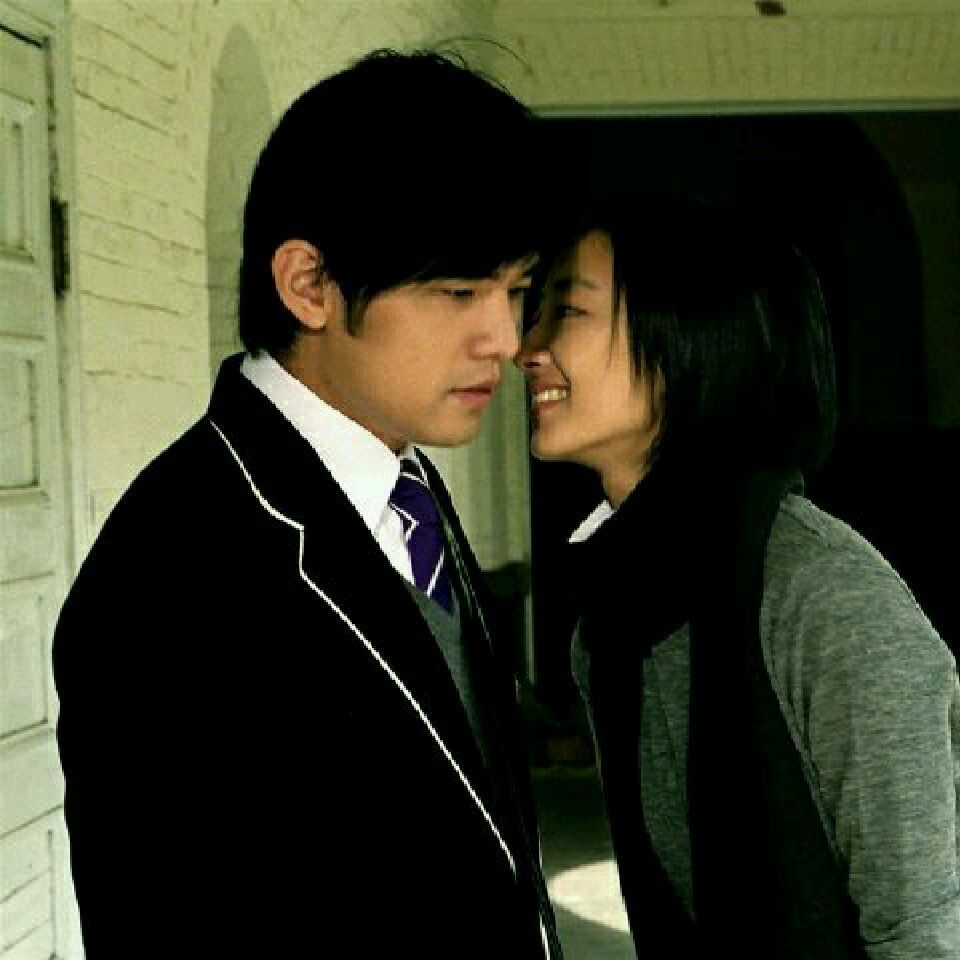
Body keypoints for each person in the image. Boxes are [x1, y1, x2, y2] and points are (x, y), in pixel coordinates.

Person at [54, 49, 562, 959]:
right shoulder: (171, 575)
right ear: (309, 285)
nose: (504, 336)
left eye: (515, 291)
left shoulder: (403, 482)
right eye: (458, 292)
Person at [516, 193, 960, 958]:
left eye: (570, 312)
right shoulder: (613, 613)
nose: (528, 347)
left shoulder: (823, 594)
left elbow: (925, 931)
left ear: (692, 337)